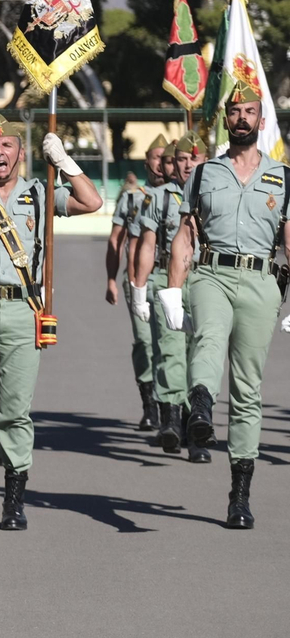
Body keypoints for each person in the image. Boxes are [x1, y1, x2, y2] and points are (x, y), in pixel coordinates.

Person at [0, 115, 102, 530]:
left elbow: (91, 201)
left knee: (16, 408)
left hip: (25, 309)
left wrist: (64, 160)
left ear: (20, 153)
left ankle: (13, 497)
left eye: (6, 146)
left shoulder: (41, 195)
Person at [168, 85, 286, 529]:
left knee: (248, 390)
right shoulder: (202, 175)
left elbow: (289, 244)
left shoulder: (283, 177)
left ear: (261, 120)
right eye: (234, 111)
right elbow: (184, 237)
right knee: (209, 337)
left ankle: (239, 494)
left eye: (249, 112)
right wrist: (170, 293)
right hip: (212, 272)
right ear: (226, 119)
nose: (240, 118)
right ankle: (199, 406)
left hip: (261, 282)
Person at [128, 134, 207, 461]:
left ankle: (196, 422)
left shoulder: (215, 195)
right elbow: (146, 244)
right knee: (172, 349)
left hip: (205, 280)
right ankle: (173, 418)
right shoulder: (158, 198)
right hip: (166, 278)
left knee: (198, 355)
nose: (187, 164)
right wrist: (139, 289)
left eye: (194, 158)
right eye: (181, 159)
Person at [106, 134, 167, 431]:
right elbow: (117, 240)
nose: (160, 163)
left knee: (171, 343)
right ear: (147, 162)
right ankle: (150, 405)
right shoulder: (132, 198)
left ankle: (174, 405)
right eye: (156, 157)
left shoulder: (182, 195)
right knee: (145, 342)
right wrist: (112, 280)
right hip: (137, 281)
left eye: (165, 158)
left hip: (171, 280)